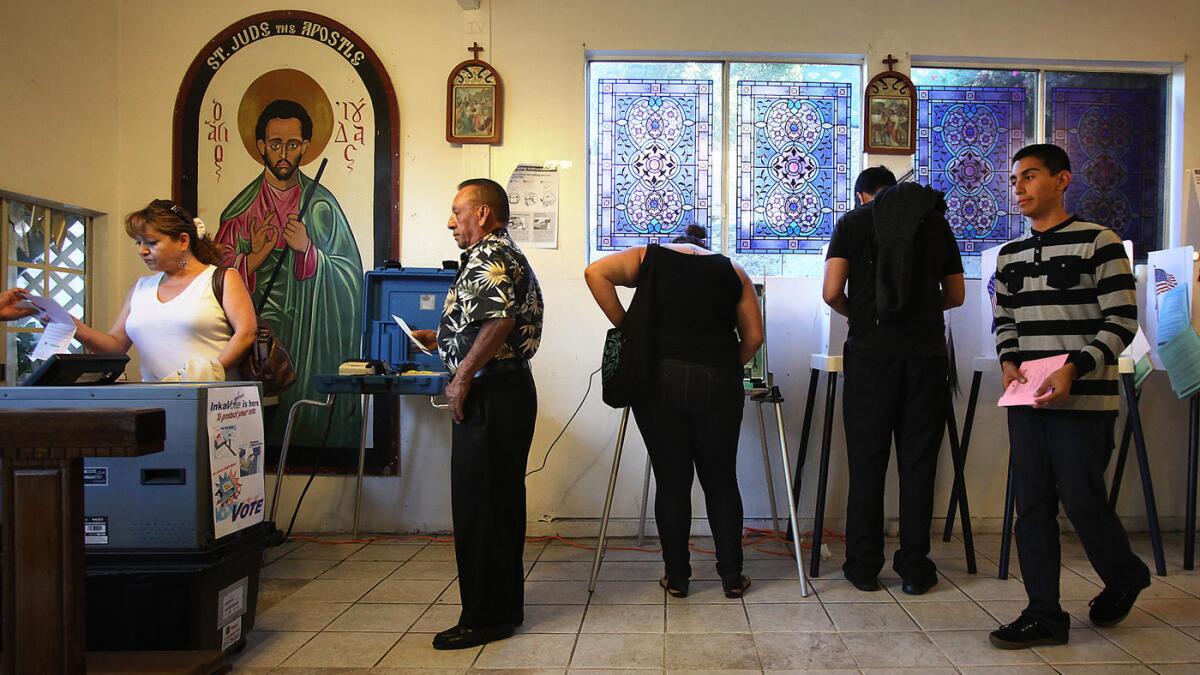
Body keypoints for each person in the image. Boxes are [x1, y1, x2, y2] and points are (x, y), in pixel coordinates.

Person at [989, 144, 1149, 649]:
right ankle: (1044, 615)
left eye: (1030, 176)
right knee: (1031, 506)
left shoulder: (1099, 243)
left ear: (1062, 180)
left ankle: (1124, 575)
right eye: (1015, 179)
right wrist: (1009, 362)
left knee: (1083, 502)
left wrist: (1073, 370)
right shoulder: (1009, 255)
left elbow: (1122, 321)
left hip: (1082, 401)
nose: (1020, 187)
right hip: (1027, 402)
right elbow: (1005, 321)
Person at [584, 223, 764, 599]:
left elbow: (594, 272)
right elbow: (754, 337)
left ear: (676, 244)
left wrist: (631, 330)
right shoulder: (732, 270)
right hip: (717, 380)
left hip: (659, 379)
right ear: (702, 247)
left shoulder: (649, 256)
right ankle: (731, 577)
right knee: (721, 481)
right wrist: (725, 366)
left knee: (672, 481)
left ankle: (678, 578)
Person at [411, 178, 543, 650]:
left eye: (457, 211)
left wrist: (462, 375)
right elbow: (491, 320)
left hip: (492, 393)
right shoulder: (505, 253)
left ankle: (484, 619)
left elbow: (501, 319)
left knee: (480, 508)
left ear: (483, 214)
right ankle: (502, 610)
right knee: (498, 506)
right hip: (507, 389)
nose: (451, 222)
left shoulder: (489, 256)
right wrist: (444, 337)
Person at [823, 166, 965, 595]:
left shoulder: (852, 222)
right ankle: (914, 567)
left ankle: (863, 566)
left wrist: (865, 317)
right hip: (924, 358)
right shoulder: (935, 223)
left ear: (863, 194)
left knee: (867, 462)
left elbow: (831, 292)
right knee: (918, 464)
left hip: (870, 358)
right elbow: (955, 295)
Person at [216, 98, 363, 446]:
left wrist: (308, 251)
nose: (284, 153)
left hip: (309, 339)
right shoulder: (240, 212)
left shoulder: (322, 206)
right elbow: (213, 283)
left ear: (306, 148)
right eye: (276, 144)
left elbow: (350, 279)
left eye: (293, 144)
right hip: (258, 347)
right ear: (261, 147)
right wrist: (251, 259)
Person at [70, 200, 256, 382]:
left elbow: (246, 333)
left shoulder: (221, 278)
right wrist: (74, 328)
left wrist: (211, 371)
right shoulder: (140, 288)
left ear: (183, 241)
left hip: (213, 401)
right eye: (138, 243)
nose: (142, 251)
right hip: (157, 401)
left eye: (151, 243)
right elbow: (116, 346)